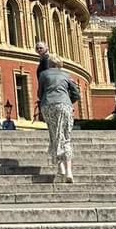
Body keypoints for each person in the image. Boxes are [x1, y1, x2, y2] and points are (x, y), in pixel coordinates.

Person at [38, 53, 80, 182]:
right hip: (64, 106)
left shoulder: (43, 75)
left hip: (48, 105)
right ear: (60, 64)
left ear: (49, 64)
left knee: (54, 135)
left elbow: (40, 93)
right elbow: (76, 94)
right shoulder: (66, 75)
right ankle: (69, 171)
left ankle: (60, 167)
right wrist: (68, 101)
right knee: (65, 137)